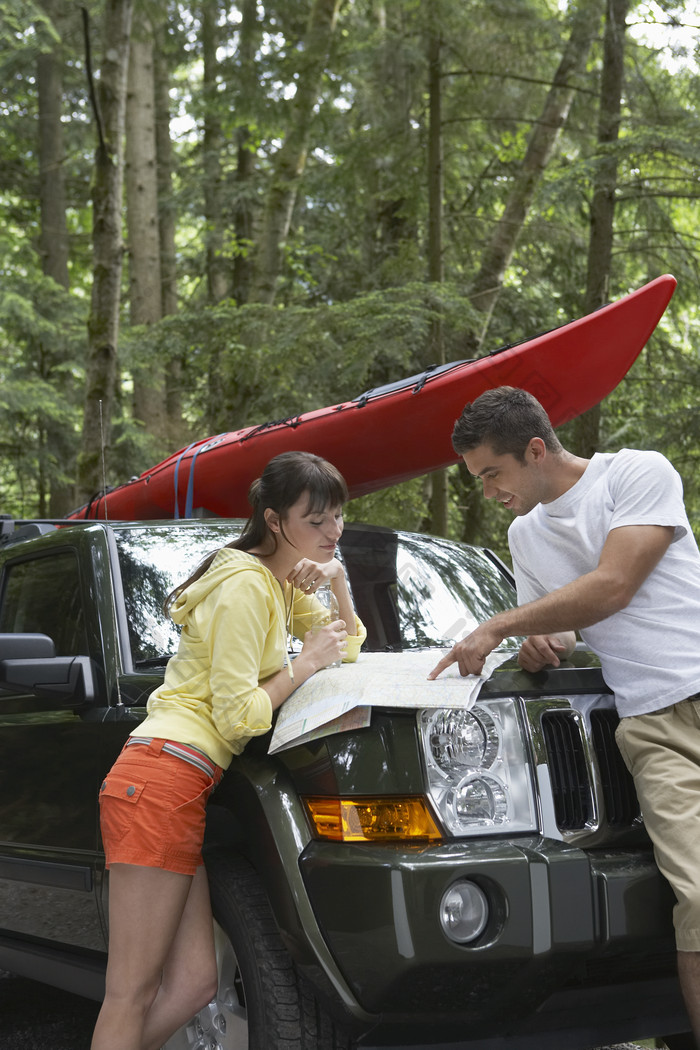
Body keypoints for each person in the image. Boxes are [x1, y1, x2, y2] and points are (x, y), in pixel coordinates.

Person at [429, 385, 700, 1045]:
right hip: (652, 730)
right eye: (476, 479)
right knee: (698, 902)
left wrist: (499, 625)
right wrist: (540, 644)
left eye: (493, 472)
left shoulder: (636, 475)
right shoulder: (526, 537)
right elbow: (560, 628)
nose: (487, 491)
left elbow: (613, 585)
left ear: (535, 449)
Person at [91, 450, 366, 1050]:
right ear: (275, 520)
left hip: (181, 787)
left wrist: (339, 580)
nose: (332, 531)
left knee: (193, 984)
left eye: (338, 517)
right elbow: (238, 717)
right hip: (159, 779)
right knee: (131, 991)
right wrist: (301, 663)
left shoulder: (276, 581)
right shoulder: (244, 587)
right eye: (315, 519)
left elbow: (345, 648)